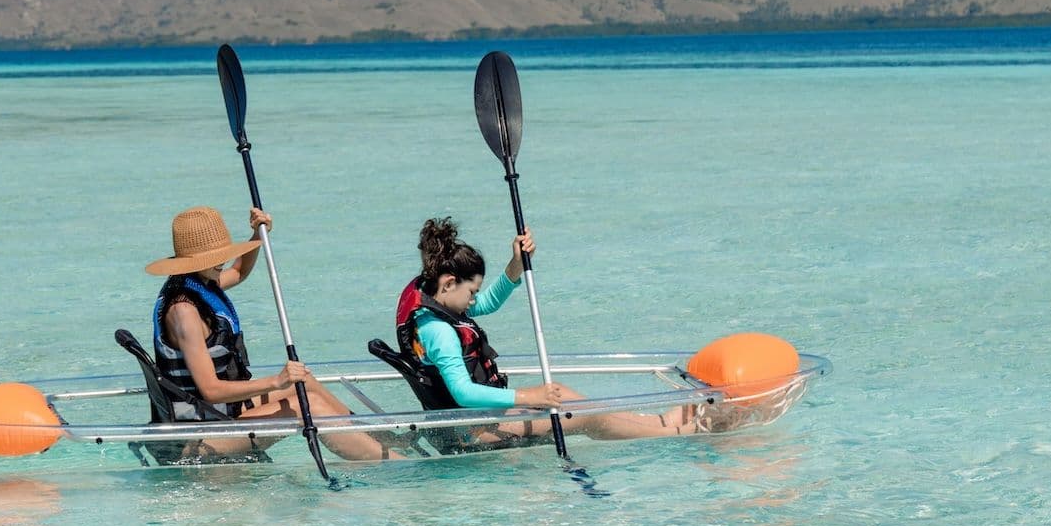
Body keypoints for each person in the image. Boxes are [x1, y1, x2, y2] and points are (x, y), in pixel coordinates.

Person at [396, 217, 710, 439]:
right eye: (472, 292)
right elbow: (463, 394)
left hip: (474, 419)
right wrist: (528, 395)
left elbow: (487, 304)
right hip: (469, 433)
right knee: (585, 415)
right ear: (450, 283)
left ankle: (658, 424)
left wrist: (516, 263)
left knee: (572, 399)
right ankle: (675, 431)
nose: (474, 300)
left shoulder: (430, 293)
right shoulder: (438, 332)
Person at [147, 205, 395, 461]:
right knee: (308, 405)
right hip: (201, 435)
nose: (222, 261)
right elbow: (210, 390)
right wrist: (276, 382)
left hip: (221, 412)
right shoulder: (183, 311)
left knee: (305, 381)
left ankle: (382, 440)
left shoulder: (200, 282)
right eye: (215, 257)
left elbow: (239, 271)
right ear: (195, 261)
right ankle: (396, 465)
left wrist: (257, 235)